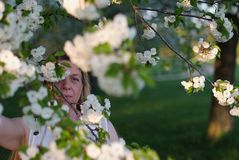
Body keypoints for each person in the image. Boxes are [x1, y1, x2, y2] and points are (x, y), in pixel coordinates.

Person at [0, 59, 119, 160]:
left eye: (74, 79)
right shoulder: (32, 126)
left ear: (82, 87)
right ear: (48, 85)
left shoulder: (102, 126)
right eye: (59, 77)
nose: (66, 86)